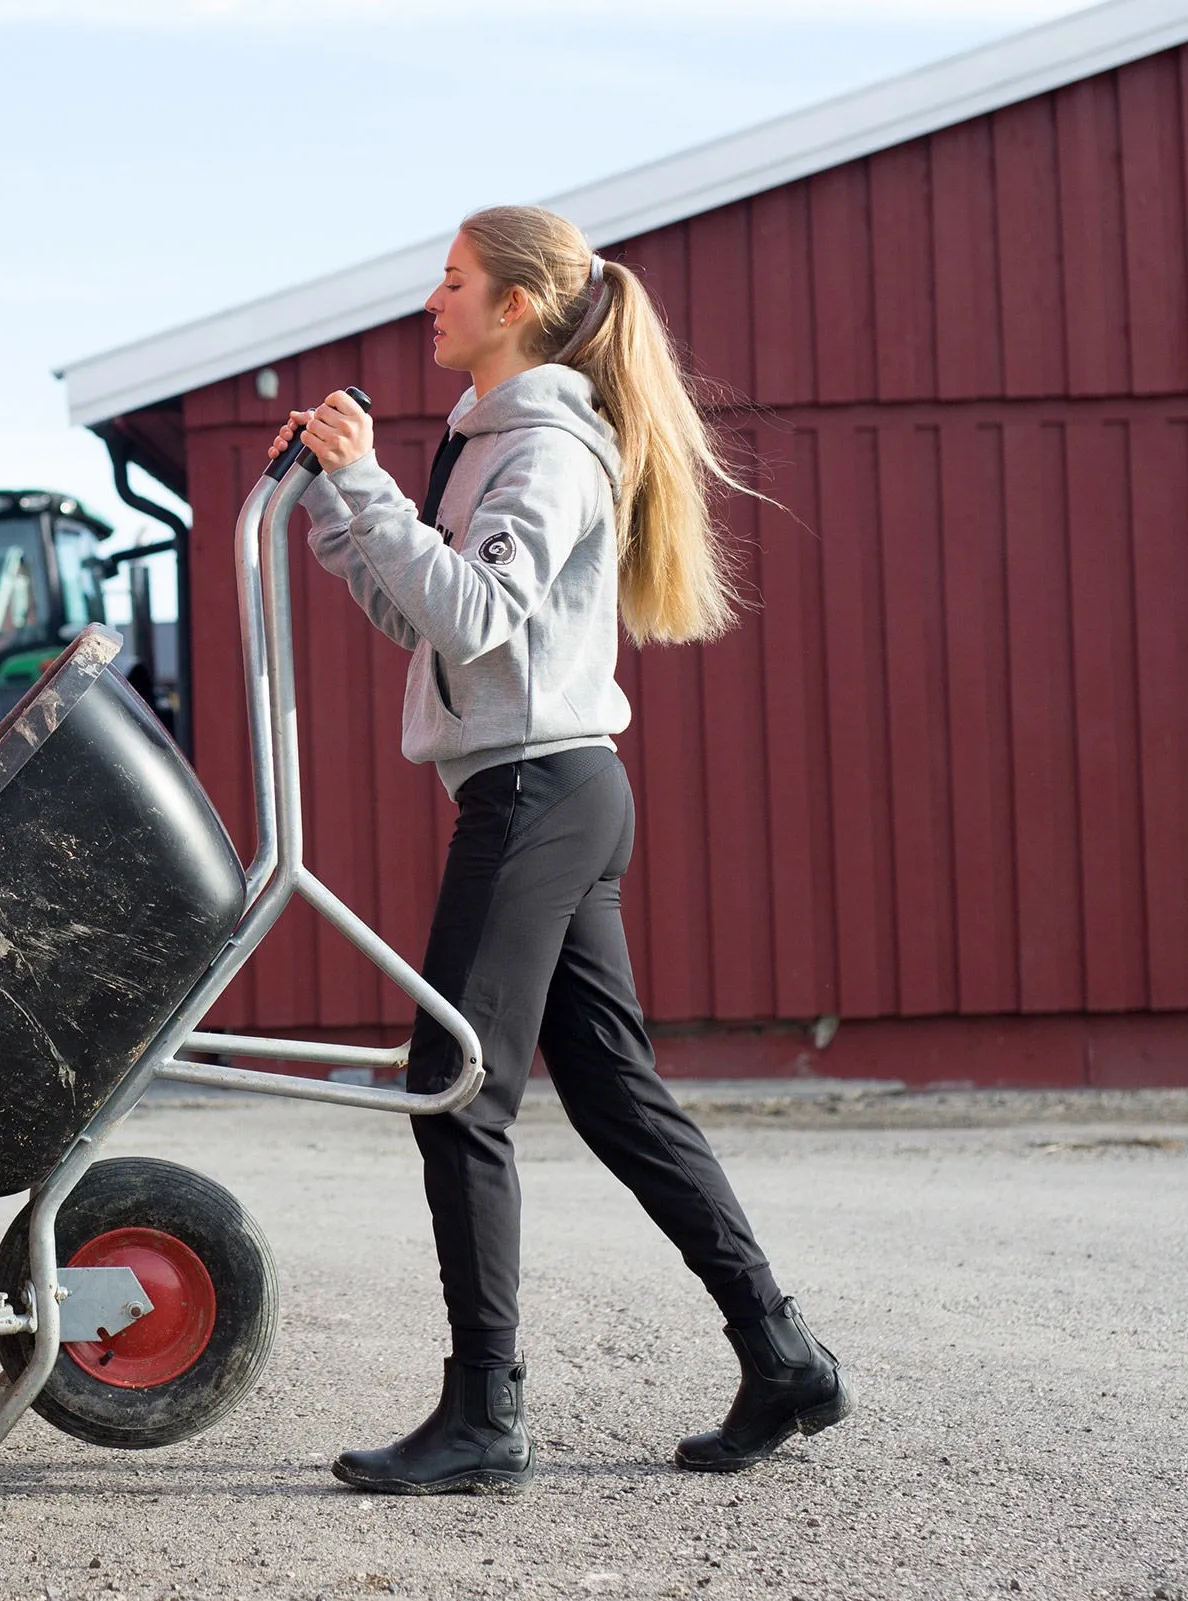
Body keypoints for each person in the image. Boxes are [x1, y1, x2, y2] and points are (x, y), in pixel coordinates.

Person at [267, 205, 852, 1496]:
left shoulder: (545, 449)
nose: (435, 297)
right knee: (612, 1093)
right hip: (540, 791)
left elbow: (477, 613)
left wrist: (368, 483)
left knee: (455, 1080)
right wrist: (334, 504)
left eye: (455, 279)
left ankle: (484, 1414)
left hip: (540, 793)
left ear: (518, 304)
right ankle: (784, 1356)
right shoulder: (489, 446)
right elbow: (418, 615)